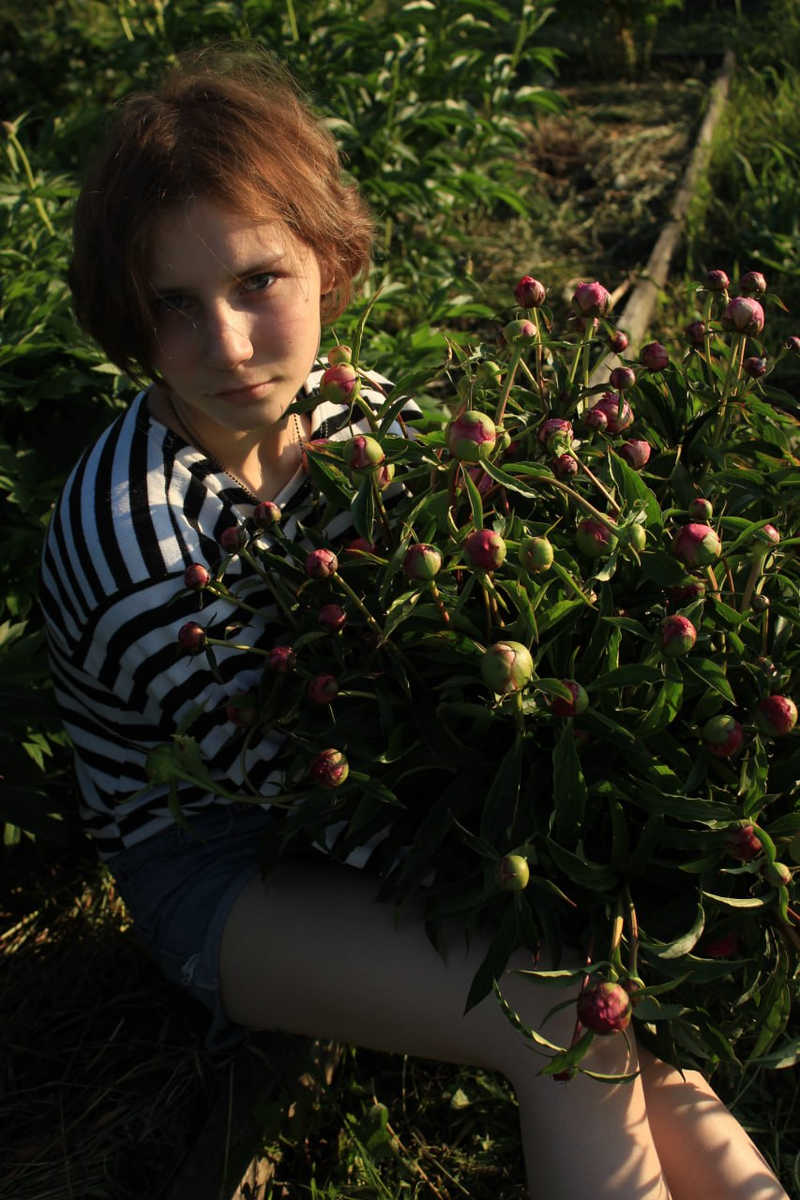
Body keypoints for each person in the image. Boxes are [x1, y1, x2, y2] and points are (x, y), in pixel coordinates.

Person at [40, 44, 788, 1200]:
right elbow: (320, 799)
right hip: (223, 861)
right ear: (124, 317)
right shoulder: (139, 543)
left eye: (256, 283)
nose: (230, 345)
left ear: (326, 265)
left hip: (363, 789)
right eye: (172, 306)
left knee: (619, 1005)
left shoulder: (354, 414)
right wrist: (586, 880)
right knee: (566, 1019)